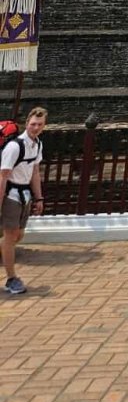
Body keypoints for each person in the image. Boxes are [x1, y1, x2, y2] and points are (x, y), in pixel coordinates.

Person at [1, 107, 47, 297]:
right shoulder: (14, 147)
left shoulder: (37, 145)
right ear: (27, 123)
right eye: (33, 124)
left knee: (17, 236)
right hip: (10, 194)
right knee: (10, 237)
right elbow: (3, 176)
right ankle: (12, 278)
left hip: (24, 195)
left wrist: (39, 197)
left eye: (39, 124)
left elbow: (34, 173)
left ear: (44, 126)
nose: (35, 127)